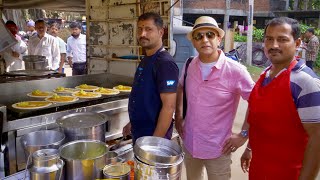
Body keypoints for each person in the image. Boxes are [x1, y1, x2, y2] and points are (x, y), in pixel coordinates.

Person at [175, 16, 254, 180]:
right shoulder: (189, 65)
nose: (204, 40)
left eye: (210, 35)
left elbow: (256, 102)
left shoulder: (236, 71)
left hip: (218, 149)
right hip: (190, 144)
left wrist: (244, 134)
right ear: (194, 42)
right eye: (199, 36)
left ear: (219, 39)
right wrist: (179, 116)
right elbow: (180, 86)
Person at [240, 17, 320, 180]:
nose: (274, 45)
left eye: (282, 39)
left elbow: (317, 138)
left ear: (297, 44)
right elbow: (257, 116)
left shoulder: (305, 82)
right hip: (259, 169)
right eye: (269, 39)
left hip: (288, 173)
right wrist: (249, 148)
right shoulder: (266, 73)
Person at [122, 12, 179, 143]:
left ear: (160, 32)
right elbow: (144, 97)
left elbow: (169, 107)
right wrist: (132, 123)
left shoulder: (165, 63)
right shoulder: (147, 59)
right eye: (140, 29)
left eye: (148, 29)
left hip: (153, 137)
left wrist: (154, 143)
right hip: (140, 133)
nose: (142, 34)